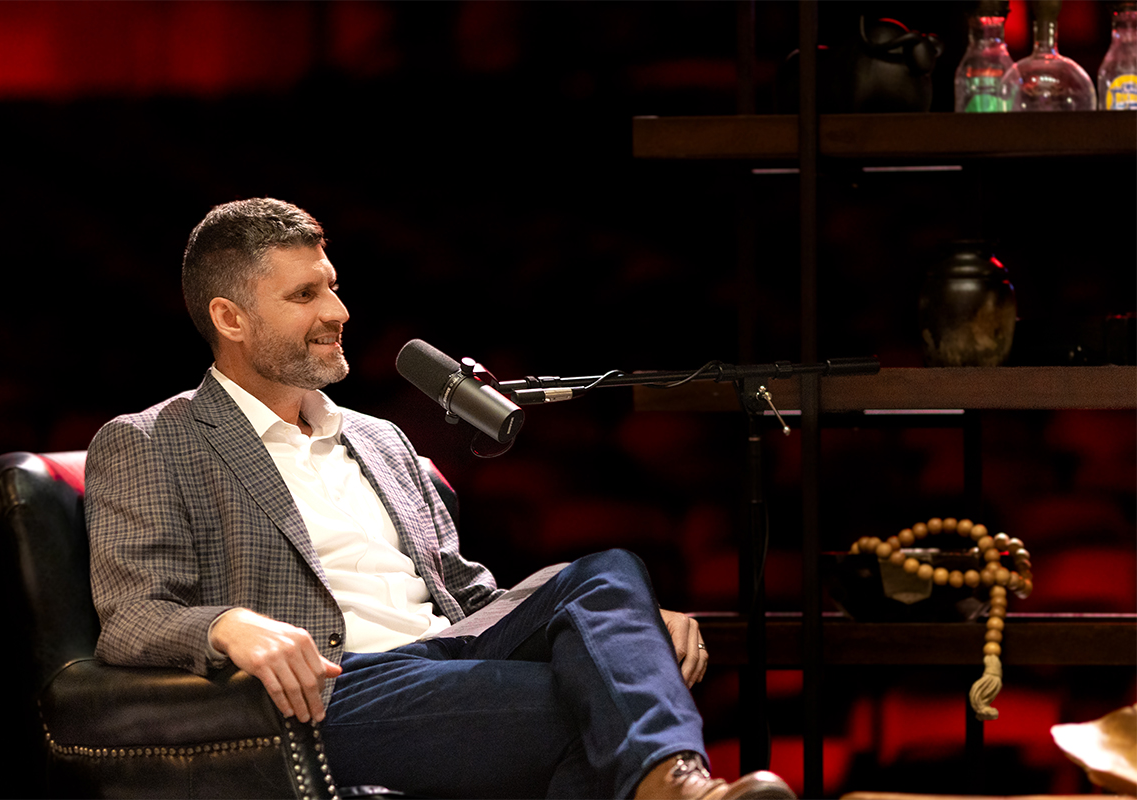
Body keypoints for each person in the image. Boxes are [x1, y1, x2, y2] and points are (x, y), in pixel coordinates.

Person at [86, 198, 795, 800]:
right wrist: (226, 624)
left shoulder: (380, 437)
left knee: (610, 572)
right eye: (305, 295)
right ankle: (678, 786)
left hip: (446, 655)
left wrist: (627, 624)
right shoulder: (151, 439)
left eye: (332, 285)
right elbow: (131, 615)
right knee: (595, 706)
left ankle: (678, 788)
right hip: (338, 688)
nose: (338, 309)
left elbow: (469, 593)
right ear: (230, 318)